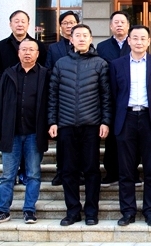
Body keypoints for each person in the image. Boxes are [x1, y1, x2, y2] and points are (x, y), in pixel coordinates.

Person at [48, 24, 112, 226]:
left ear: (91, 39)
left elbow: (106, 96)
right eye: (78, 35)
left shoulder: (100, 64)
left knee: (92, 170)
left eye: (85, 35)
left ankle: (91, 212)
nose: (82, 38)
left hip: (91, 125)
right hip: (66, 125)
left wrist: (105, 121)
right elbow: (53, 95)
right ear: (71, 40)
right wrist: (52, 121)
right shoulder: (61, 64)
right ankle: (73, 211)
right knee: (68, 170)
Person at [0, 39, 50, 225]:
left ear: (37, 54)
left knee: (33, 174)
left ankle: (29, 210)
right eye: (24, 49)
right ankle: (3, 210)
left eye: (31, 50)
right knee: (7, 175)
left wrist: (51, 126)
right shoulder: (8, 74)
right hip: (11, 132)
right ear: (18, 53)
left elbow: (50, 103)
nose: (27, 53)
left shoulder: (45, 75)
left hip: (34, 133)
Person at [109, 25, 151, 227]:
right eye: (135, 38)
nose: (139, 42)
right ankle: (128, 211)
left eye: (143, 38)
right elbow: (113, 94)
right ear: (129, 41)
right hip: (126, 118)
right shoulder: (117, 64)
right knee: (126, 170)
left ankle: (150, 211)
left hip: (150, 118)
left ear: (149, 41)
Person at [0, 10, 47, 186]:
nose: (20, 24)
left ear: (28, 24)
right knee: (12, 134)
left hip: (32, 99)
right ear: (10, 24)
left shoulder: (38, 46)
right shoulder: (0, 46)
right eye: (16, 21)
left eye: (23, 21)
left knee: (29, 136)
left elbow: (45, 69)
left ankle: (25, 172)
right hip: (10, 98)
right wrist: (7, 87)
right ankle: (12, 172)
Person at [97, 11, 132, 187]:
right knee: (111, 138)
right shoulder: (102, 47)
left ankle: (132, 172)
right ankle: (111, 172)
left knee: (131, 138)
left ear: (128, 26)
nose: (119, 25)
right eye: (116, 22)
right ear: (111, 26)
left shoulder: (134, 43)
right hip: (109, 96)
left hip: (131, 96)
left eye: (122, 22)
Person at [45, 10, 79, 187]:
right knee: (62, 140)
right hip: (61, 98)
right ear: (60, 27)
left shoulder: (85, 45)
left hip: (81, 99)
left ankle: (79, 172)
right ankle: (61, 172)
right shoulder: (53, 48)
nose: (69, 25)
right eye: (65, 23)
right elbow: (49, 71)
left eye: (72, 22)